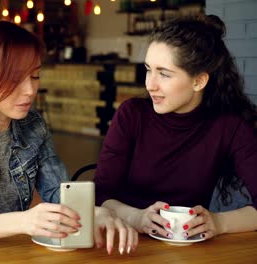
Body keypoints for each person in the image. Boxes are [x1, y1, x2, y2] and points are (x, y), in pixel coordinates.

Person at [0, 21, 138, 254]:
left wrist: (95, 212)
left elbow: (59, 192)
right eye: (15, 79)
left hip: (12, 253)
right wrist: (23, 221)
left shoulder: (33, 125)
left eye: (35, 76)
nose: (30, 90)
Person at [95, 14, 257, 241]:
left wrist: (220, 222)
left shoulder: (229, 126)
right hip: (125, 242)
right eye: (148, 70)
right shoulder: (131, 114)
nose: (150, 85)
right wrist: (138, 218)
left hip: (185, 249)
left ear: (199, 81)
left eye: (164, 74)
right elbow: (101, 194)